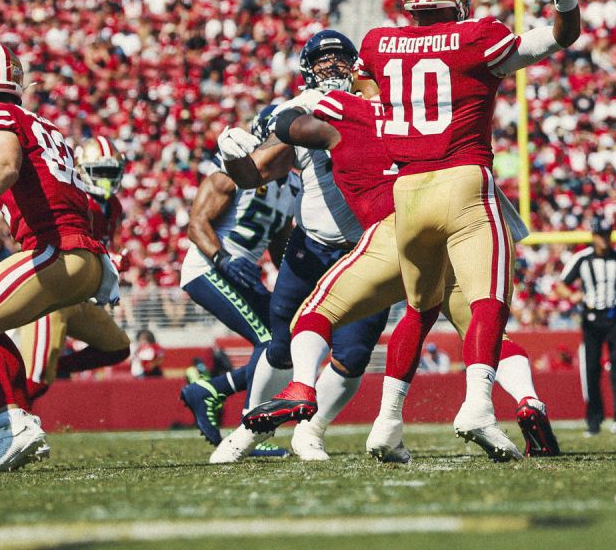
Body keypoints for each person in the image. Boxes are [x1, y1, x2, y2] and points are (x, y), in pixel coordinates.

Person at [224, 31, 559, 461]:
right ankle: (520, 401)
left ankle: (316, 403)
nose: (339, 70)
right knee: (477, 321)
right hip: (450, 217)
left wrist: (275, 120)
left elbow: (289, 124)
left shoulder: (342, 110)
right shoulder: (416, 108)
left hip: (392, 231)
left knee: (323, 320)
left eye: (349, 64)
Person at [349, 0, 582, 459]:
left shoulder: (378, 42)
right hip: (462, 181)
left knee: (418, 309)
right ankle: (477, 403)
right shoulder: (477, 36)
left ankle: (386, 423)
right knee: (488, 301)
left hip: (406, 191)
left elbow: (363, 86)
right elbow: (563, 37)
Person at [208, 31, 393, 463]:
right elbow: (252, 176)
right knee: (281, 342)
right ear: (308, 69)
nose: (332, 66)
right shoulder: (300, 111)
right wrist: (233, 156)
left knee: (352, 355)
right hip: (310, 248)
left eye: (340, 58)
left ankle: (310, 431)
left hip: (367, 249)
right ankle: (251, 427)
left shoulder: (381, 107)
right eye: (323, 59)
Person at [0, 42, 118, 473]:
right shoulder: (42, 123)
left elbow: (6, 163)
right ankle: (18, 427)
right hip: (84, 258)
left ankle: (11, 426)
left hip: (55, 250)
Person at [176, 106, 297, 448]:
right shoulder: (232, 172)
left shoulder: (291, 185)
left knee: (287, 341)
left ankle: (210, 389)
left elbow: (278, 243)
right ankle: (250, 431)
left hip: (242, 273)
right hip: (210, 269)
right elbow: (197, 225)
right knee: (268, 340)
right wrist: (224, 260)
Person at [558, 218, 616, 435]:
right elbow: (561, 285)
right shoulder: (582, 259)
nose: (604, 239)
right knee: (592, 369)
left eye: (607, 234)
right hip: (592, 319)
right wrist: (573, 295)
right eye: (600, 234)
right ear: (593, 236)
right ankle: (594, 418)